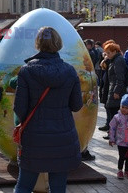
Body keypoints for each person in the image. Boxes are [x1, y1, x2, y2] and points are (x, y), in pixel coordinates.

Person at [13, 26, 83, 193]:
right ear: (58, 43)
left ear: (38, 44)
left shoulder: (27, 71)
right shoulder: (70, 71)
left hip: (34, 138)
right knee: (58, 188)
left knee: (24, 185)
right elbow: (76, 105)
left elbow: (19, 108)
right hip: (63, 137)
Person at [104, 42, 128, 139]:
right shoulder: (114, 59)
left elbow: (120, 78)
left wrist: (116, 91)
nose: (107, 55)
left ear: (115, 51)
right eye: (106, 53)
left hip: (116, 90)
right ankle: (112, 133)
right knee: (113, 111)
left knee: (114, 113)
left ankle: (113, 134)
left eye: (109, 53)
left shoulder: (118, 61)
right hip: (113, 88)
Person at [109, 94, 128, 180]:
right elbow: (112, 128)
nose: (124, 109)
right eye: (122, 107)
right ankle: (120, 170)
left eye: (126, 108)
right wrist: (111, 139)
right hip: (120, 141)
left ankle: (127, 171)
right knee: (121, 156)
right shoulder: (117, 117)